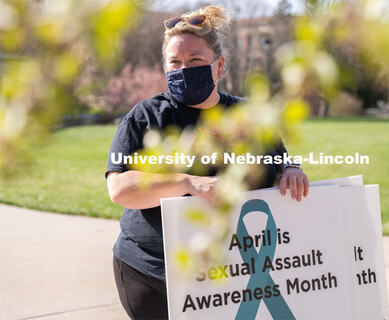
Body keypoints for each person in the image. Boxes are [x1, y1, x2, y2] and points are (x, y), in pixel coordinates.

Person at [105, 5, 309, 320]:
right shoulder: (145, 117)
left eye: (196, 60)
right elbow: (119, 189)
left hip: (234, 273)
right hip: (152, 275)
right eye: (175, 62)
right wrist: (189, 183)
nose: (184, 69)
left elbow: (279, 162)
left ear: (220, 66)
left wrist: (292, 170)